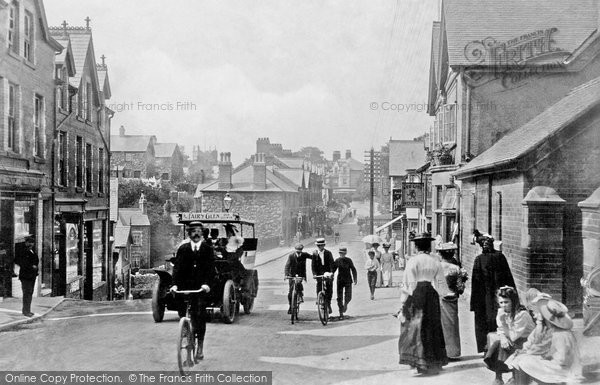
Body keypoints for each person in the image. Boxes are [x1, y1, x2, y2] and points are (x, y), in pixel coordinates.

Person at [398, 232, 448, 375]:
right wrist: (444, 293)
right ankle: (434, 362)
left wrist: (403, 301)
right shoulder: (435, 261)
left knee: (416, 327)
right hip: (431, 294)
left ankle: (419, 363)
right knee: (432, 326)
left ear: (416, 246)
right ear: (428, 245)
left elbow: (409, 284)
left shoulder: (413, 261)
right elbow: (440, 283)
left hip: (417, 295)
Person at [170, 221, 216, 361]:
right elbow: (177, 269)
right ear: (189, 234)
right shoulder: (183, 249)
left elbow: (210, 270)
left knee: (200, 315)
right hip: (185, 287)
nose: (196, 234)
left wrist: (207, 285)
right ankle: (185, 330)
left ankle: (200, 346)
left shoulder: (207, 249)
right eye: (193, 231)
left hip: (200, 289)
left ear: (202, 233)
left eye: (198, 231)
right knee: (181, 308)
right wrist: (174, 285)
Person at [509, 299, 583, 385]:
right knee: (518, 358)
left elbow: (563, 359)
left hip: (562, 368)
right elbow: (532, 341)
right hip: (551, 362)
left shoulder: (561, 334)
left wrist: (542, 356)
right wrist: (525, 351)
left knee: (524, 361)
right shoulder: (543, 328)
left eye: (537, 312)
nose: (534, 315)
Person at [471, 232, 516, 353]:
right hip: (500, 295)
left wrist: (474, 303)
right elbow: (508, 277)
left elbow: (475, 283)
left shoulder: (479, 259)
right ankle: (499, 346)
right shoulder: (500, 257)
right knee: (500, 319)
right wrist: (512, 294)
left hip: (484, 297)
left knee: (485, 320)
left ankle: (487, 347)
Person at [484, 286, 535, 385]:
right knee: (499, 343)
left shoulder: (522, 314)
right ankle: (498, 377)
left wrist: (503, 322)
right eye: (501, 302)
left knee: (506, 345)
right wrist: (503, 337)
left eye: (506, 302)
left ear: (513, 301)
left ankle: (514, 377)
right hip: (514, 338)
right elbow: (501, 330)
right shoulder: (501, 312)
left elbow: (513, 336)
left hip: (527, 340)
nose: (503, 305)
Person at [436, 242, 467, 359]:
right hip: (452, 298)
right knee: (452, 325)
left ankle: (441, 352)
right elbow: (460, 289)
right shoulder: (456, 268)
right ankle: (453, 352)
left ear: (441, 254)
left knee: (440, 325)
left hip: (440, 297)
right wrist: (462, 280)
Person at [14, 236, 39, 317]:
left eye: (32, 242)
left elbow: (36, 260)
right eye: (29, 242)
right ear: (26, 243)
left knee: (29, 293)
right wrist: (31, 266)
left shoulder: (32, 251)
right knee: (27, 294)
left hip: (32, 276)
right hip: (26, 276)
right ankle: (26, 311)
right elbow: (18, 261)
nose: (31, 244)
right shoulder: (22, 251)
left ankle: (28, 310)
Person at [331, 246, 357, 319]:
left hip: (348, 280)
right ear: (339, 253)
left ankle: (345, 304)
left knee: (349, 296)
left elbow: (353, 269)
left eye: (343, 253)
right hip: (340, 280)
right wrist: (331, 274)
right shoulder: (337, 260)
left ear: (345, 253)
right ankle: (341, 313)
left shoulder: (349, 260)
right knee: (339, 297)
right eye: (340, 253)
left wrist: (355, 279)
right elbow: (333, 269)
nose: (342, 254)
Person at [284, 243, 310, 314]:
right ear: (295, 250)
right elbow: (287, 266)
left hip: (300, 274)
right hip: (292, 275)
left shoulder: (304, 255)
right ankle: (290, 306)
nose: (298, 252)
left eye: (300, 251)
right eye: (297, 251)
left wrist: (316, 254)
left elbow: (312, 257)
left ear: (302, 250)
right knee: (290, 292)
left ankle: (300, 294)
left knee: (298, 285)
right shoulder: (291, 256)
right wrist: (286, 275)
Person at [311, 238, 335, 314]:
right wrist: (314, 274)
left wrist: (331, 273)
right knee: (319, 285)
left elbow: (332, 264)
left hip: (327, 273)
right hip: (319, 273)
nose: (320, 247)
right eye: (318, 245)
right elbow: (313, 265)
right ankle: (318, 298)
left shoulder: (328, 253)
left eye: (321, 245)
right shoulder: (314, 254)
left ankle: (329, 304)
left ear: (324, 245)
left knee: (329, 289)